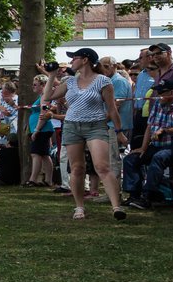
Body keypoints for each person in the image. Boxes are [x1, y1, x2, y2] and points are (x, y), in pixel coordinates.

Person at [38, 48, 126, 221]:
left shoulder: (103, 81)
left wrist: (119, 131)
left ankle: (117, 207)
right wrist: (50, 76)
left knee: (102, 167)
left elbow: (112, 109)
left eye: (74, 58)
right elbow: (47, 96)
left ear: (85, 60)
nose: (71, 62)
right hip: (72, 126)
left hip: (96, 126)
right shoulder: (70, 81)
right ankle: (79, 207)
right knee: (77, 168)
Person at [123, 79, 173, 211]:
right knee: (131, 159)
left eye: (161, 92)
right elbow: (150, 126)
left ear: (172, 92)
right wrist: (143, 147)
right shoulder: (158, 104)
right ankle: (134, 195)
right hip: (158, 145)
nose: (158, 95)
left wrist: (166, 130)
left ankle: (148, 196)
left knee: (159, 157)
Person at [24, 75, 55, 186]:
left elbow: (43, 113)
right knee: (44, 155)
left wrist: (37, 129)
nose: (33, 86)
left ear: (43, 85)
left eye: (35, 84)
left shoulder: (44, 97)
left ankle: (33, 179)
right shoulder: (41, 96)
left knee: (36, 154)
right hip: (42, 129)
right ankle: (48, 180)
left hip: (42, 129)